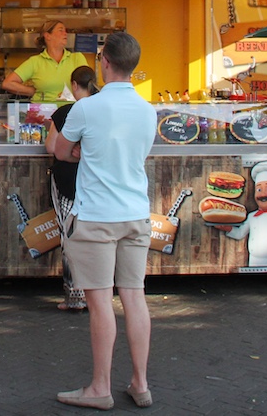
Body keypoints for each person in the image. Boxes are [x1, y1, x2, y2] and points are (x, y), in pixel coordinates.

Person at [52, 32, 157, 410]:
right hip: (135, 214)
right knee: (135, 298)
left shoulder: (87, 108)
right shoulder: (148, 110)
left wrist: (86, 153)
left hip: (96, 216)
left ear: (105, 62)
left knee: (100, 305)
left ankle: (100, 388)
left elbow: (61, 152)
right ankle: (140, 384)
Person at [44, 64, 98, 311]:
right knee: (96, 237)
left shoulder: (65, 112)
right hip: (96, 182)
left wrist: (72, 153)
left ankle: (75, 296)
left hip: (67, 181)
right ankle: (97, 296)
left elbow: (51, 148)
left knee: (70, 235)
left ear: (74, 86)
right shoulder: (103, 111)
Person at [214, 160, 267, 268]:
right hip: (254, 261)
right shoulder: (251, 216)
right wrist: (227, 228)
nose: (263, 194)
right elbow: (240, 233)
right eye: (259, 189)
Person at [2, 20, 89, 105]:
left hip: (70, 113)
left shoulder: (77, 58)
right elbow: (8, 83)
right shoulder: (35, 61)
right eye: (60, 30)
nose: (65, 33)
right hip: (42, 115)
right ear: (47, 36)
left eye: (65, 31)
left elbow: (88, 85)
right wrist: (32, 91)